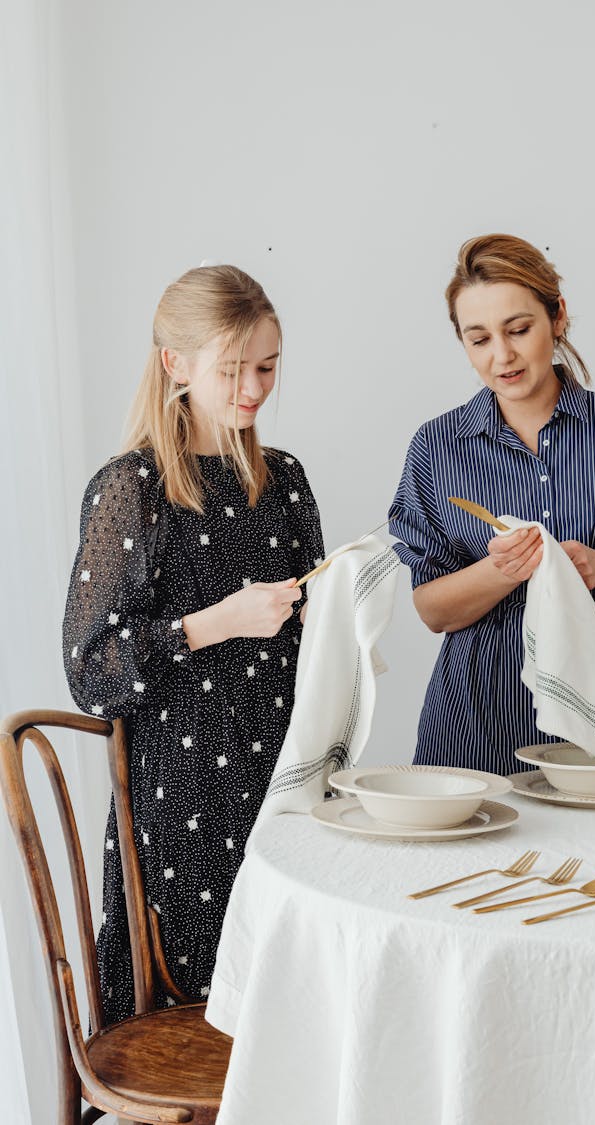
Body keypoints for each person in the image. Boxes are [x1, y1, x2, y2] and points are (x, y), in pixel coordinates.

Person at [63, 264, 323, 1023]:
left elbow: (315, 630)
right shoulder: (132, 488)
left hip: (286, 779)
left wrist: (338, 605)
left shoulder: (286, 481)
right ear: (175, 364)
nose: (253, 388)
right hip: (183, 805)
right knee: (221, 1012)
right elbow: (90, 669)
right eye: (233, 369)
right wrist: (216, 621)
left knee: (305, 1008)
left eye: (268, 367)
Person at [388, 234, 595, 775]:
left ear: (557, 316)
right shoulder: (436, 446)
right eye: (479, 339)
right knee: (482, 864)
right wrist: (499, 572)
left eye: (519, 330)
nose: (502, 356)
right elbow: (431, 609)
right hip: (476, 722)